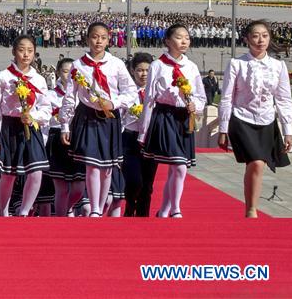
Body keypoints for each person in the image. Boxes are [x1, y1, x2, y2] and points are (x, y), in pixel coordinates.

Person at [60, 22, 138, 218]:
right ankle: (94, 208)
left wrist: (114, 103)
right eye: (95, 37)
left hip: (109, 118)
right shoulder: (78, 66)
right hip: (87, 116)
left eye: (103, 37)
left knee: (107, 169)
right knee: (92, 165)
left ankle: (101, 205)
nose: (99, 41)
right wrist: (64, 125)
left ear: (108, 40)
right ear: (87, 39)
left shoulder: (116, 64)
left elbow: (130, 91)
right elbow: (70, 96)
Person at [218, 20, 292, 218]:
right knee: (257, 162)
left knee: (257, 163)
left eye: (265, 36)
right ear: (247, 39)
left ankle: (250, 206)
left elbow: (284, 99)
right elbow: (227, 97)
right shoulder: (237, 64)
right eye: (255, 36)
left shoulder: (278, 66)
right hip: (242, 118)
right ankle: (252, 210)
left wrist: (288, 131)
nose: (260, 40)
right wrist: (223, 129)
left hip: (267, 119)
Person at [139, 24, 207, 218]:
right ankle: (176, 208)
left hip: (184, 119)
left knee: (178, 166)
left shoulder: (191, 67)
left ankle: (166, 209)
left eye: (187, 37)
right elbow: (149, 98)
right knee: (178, 164)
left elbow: (201, 97)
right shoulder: (158, 65)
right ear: (168, 40)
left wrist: (195, 105)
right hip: (165, 117)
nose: (184, 41)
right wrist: (144, 131)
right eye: (179, 37)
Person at [0, 35, 52, 217]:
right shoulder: (2, 77)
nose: (25, 54)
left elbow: (46, 109)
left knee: (36, 172)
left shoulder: (38, 79)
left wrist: (33, 116)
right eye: (21, 50)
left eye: (30, 51)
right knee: (8, 174)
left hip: (31, 128)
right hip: (9, 127)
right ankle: (4, 211)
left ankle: (24, 211)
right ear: (14, 52)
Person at [46, 58, 86, 216]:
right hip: (57, 138)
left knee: (78, 187)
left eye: (72, 72)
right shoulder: (50, 95)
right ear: (57, 73)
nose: (69, 75)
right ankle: (61, 218)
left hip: (77, 139)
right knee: (61, 188)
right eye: (64, 71)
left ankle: (67, 209)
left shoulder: (82, 94)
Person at [122, 53, 158, 217]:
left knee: (148, 183)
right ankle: (130, 205)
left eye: (147, 70)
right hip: (130, 138)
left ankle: (143, 215)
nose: (144, 74)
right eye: (139, 70)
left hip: (150, 139)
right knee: (134, 179)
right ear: (132, 71)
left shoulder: (157, 91)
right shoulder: (126, 92)